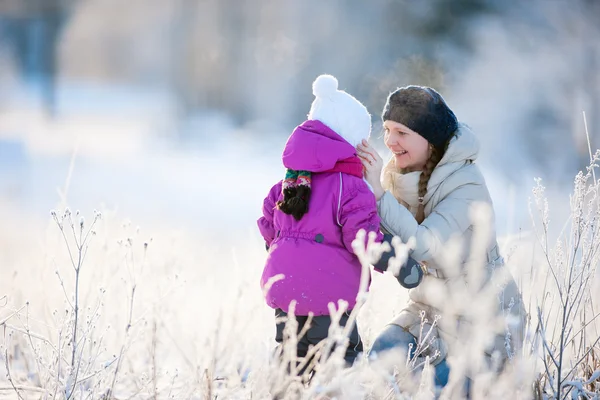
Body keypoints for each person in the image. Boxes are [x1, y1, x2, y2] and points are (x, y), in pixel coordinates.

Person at [356, 85, 526, 390]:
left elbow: (424, 244)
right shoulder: (399, 175)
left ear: (430, 139)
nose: (390, 141)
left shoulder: (466, 183)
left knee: (444, 386)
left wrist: (380, 195)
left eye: (402, 132)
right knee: (382, 357)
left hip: (483, 317)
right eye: (387, 129)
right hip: (429, 310)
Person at [258, 74, 385, 370]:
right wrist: (398, 260)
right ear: (352, 140)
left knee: (293, 355)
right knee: (339, 359)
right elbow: (362, 239)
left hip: (283, 292)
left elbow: (268, 227)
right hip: (330, 297)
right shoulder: (350, 188)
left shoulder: (287, 183)